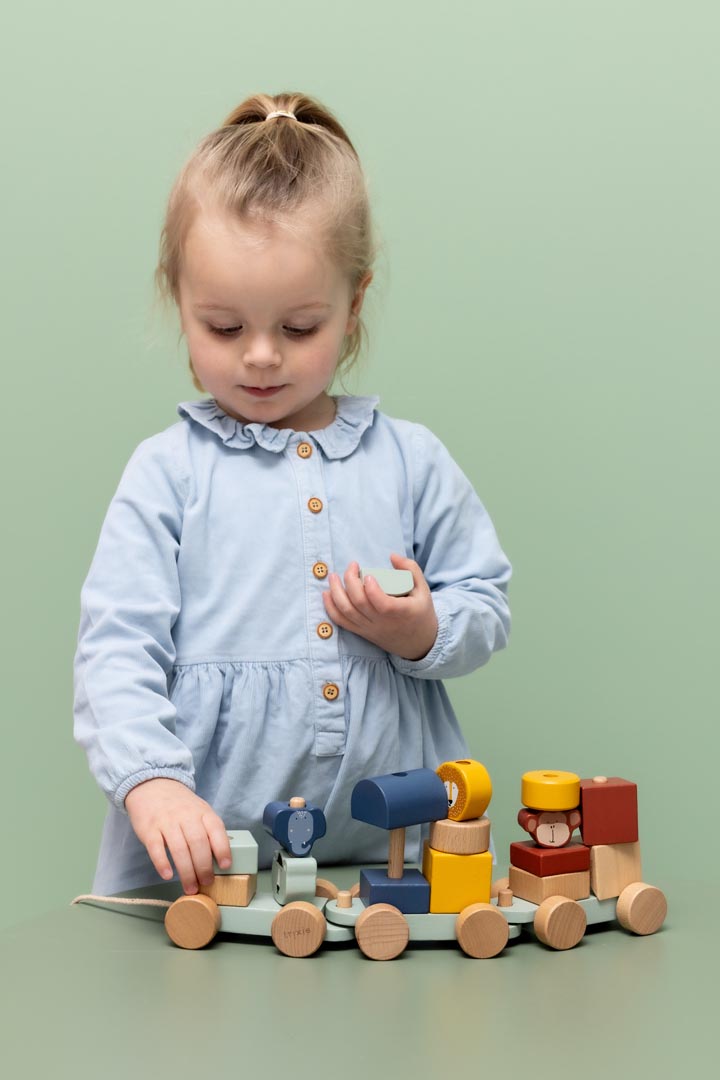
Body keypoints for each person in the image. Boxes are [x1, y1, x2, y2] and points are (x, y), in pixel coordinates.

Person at [73, 91, 512, 899]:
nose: (263, 358)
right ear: (180, 301)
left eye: (301, 327)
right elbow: (116, 649)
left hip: (393, 868)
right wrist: (151, 781)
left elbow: (486, 602)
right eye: (225, 327)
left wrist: (423, 629)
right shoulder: (167, 472)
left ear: (354, 304)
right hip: (200, 873)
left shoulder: (410, 460)